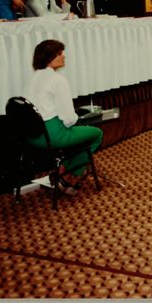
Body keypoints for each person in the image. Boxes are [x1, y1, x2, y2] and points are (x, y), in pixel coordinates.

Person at [24, 40, 103, 195]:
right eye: (59, 54)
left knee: (79, 136)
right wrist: (77, 118)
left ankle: (61, 172)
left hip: (31, 136)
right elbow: (69, 120)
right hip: (52, 136)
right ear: (49, 58)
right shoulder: (57, 80)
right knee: (96, 134)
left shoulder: (31, 78)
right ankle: (67, 176)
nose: (64, 56)